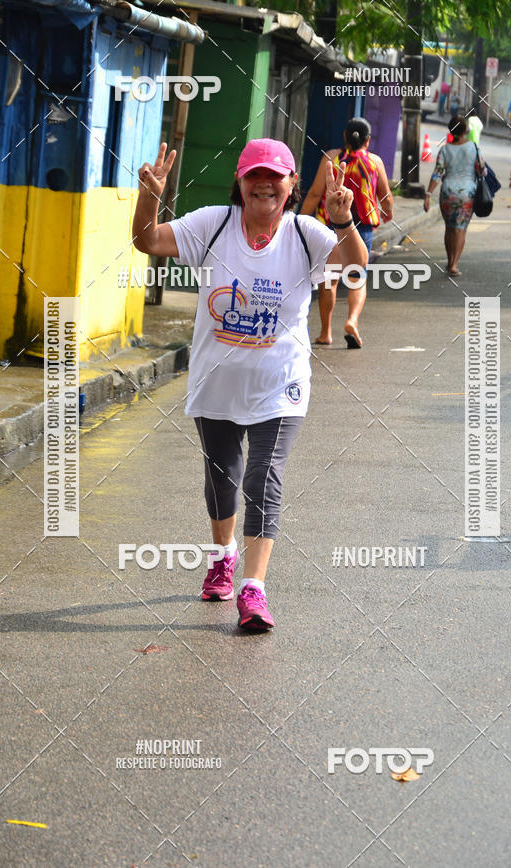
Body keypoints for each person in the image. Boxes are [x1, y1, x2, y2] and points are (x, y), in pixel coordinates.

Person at [132, 139, 367, 631]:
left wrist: (343, 220)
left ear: (291, 185)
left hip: (281, 386)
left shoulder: (307, 234)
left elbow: (354, 267)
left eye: (276, 176)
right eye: (254, 174)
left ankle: (254, 590)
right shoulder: (213, 224)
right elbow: (148, 242)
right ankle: (224, 555)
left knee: (263, 477)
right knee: (223, 478)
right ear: (240, 183)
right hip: (216, 385)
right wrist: (150, 196)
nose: (265, 183)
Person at [300, 117, 393, 348]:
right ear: (368, 140)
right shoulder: (374, 162)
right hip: (360, 228)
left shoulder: (331, 158)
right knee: (357, 279)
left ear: (345, 136)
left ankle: (325, 333)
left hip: (330, 226)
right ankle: (352, 321)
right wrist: (387, 212)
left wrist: (299, 220)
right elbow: (385, 195)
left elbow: (314, 193)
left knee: (328, 281)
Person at [424, 115, 484, 277]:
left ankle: (450, 260)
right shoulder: (474, 147)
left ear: (450, 130)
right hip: (467, 194)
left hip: (447, 193)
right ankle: (454, 264)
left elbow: (437, 174)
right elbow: (482, 170)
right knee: (460, 229)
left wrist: (428, 194)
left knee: (450, 229)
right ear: (466, 130)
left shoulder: (444, 149)